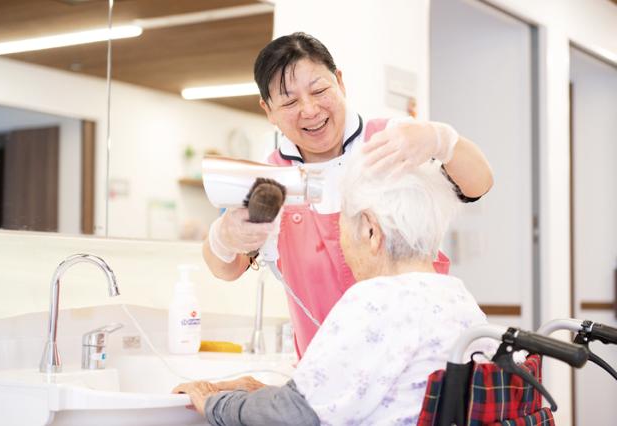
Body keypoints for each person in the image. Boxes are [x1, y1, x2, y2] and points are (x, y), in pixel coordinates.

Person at [203, 32, 493, 358]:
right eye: (289, 102)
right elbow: (226, 268)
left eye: (319, 90)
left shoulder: (389, 140)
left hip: (418, 360)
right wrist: (223, 238)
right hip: (330, 377)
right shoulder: (272, 178)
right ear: (268, 110)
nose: (310, 110)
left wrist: (443, 141)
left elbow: (478, 184)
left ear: (340, 82)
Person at [175, 146, 488, 425]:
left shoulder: (373, 301)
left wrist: (214, 403)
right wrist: (267, 395)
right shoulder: (460, 300)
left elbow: (292, 416)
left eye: (342, 225)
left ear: (369, 231)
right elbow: (369, 399)